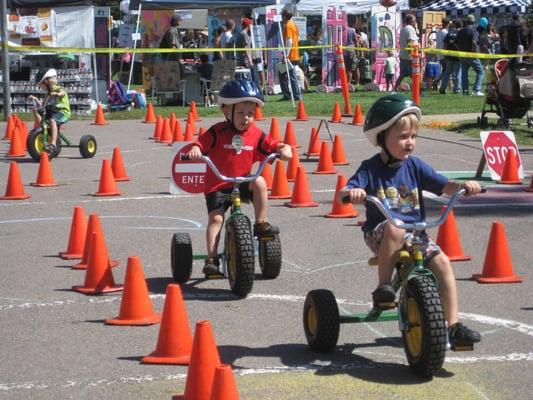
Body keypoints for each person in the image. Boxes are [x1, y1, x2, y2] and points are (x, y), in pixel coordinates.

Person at [337, 93, 482, 349]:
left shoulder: (414, 166)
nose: (410, 143)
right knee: (394, 228)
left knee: (443, 263)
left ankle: (453, 325)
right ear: (382, 137)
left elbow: (444, 186)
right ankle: (383, 287)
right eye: (403, 137)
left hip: (416, 234)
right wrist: (353, 193)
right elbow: (347, 191)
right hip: (381, 232)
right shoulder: (370, 168)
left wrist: (464, 186)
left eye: (413, 137)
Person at [186, 79, 292, 276]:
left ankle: (260, 223)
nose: (246, 118)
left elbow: (272, 145)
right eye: (241, 113)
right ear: (227, 111)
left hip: (242, 182)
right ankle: (212, 258)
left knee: (259, 181)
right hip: (218, 184)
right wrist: (195, 150)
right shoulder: (217, 132)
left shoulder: (255, 134)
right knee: (216, 219)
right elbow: (200, 144)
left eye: (250, 114)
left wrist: (283, 148)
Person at [28, 68, 71, 155]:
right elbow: (43, 106)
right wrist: (35, 99)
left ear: (48, 80)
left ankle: (53, 143)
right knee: (38, 112)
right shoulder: (48, 94)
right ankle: (39, 133)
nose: (41, 86)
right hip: (53, 113)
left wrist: (57, 94)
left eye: (42, 84)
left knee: (52, 120)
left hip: (63, 113)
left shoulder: (58, 88)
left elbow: (63, 92)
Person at [456, 14, 484, 96]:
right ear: (474, 22)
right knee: (480, 71)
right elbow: (474, 42)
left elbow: (456, 43)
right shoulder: (474, 31)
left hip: (462, 55)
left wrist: (460, 50)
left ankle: (465, 91)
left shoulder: (461, 31)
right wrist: (474, 52)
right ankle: (476, 90)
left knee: (464, 73)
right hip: (471, 54)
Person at [279, 5, 301, 101]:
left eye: (282, 16)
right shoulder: (294, 25)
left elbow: (289, 41)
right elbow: (298, 39)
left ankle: (295, 96)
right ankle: (290, 94)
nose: (281, 18)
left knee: (291, 76)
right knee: (282, 73)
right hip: (295, 54)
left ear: (284, 16)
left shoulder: (287, 26)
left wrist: (286, 55)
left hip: (290, 56)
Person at [394, 14, 419, 92]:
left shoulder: (403, 29)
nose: (415, 22)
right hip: (410, 56)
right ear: (411, 21)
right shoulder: (411, 29)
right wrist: (412, 54)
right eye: (414, 20)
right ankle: (417, 91)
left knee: (402, 74)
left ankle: (395, 89)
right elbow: (410, 42)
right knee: (415, 75)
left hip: (403, 55)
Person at [439, 19, 462, 94]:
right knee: (457, 73)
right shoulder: (460, 33)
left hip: (449, 55)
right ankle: (457, 90)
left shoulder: (450, 32)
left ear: (455, 25)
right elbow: (460, 45)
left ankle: (442, 88)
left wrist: (445, 55)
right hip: (458, 56)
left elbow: (445, 44)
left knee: (447, 72)